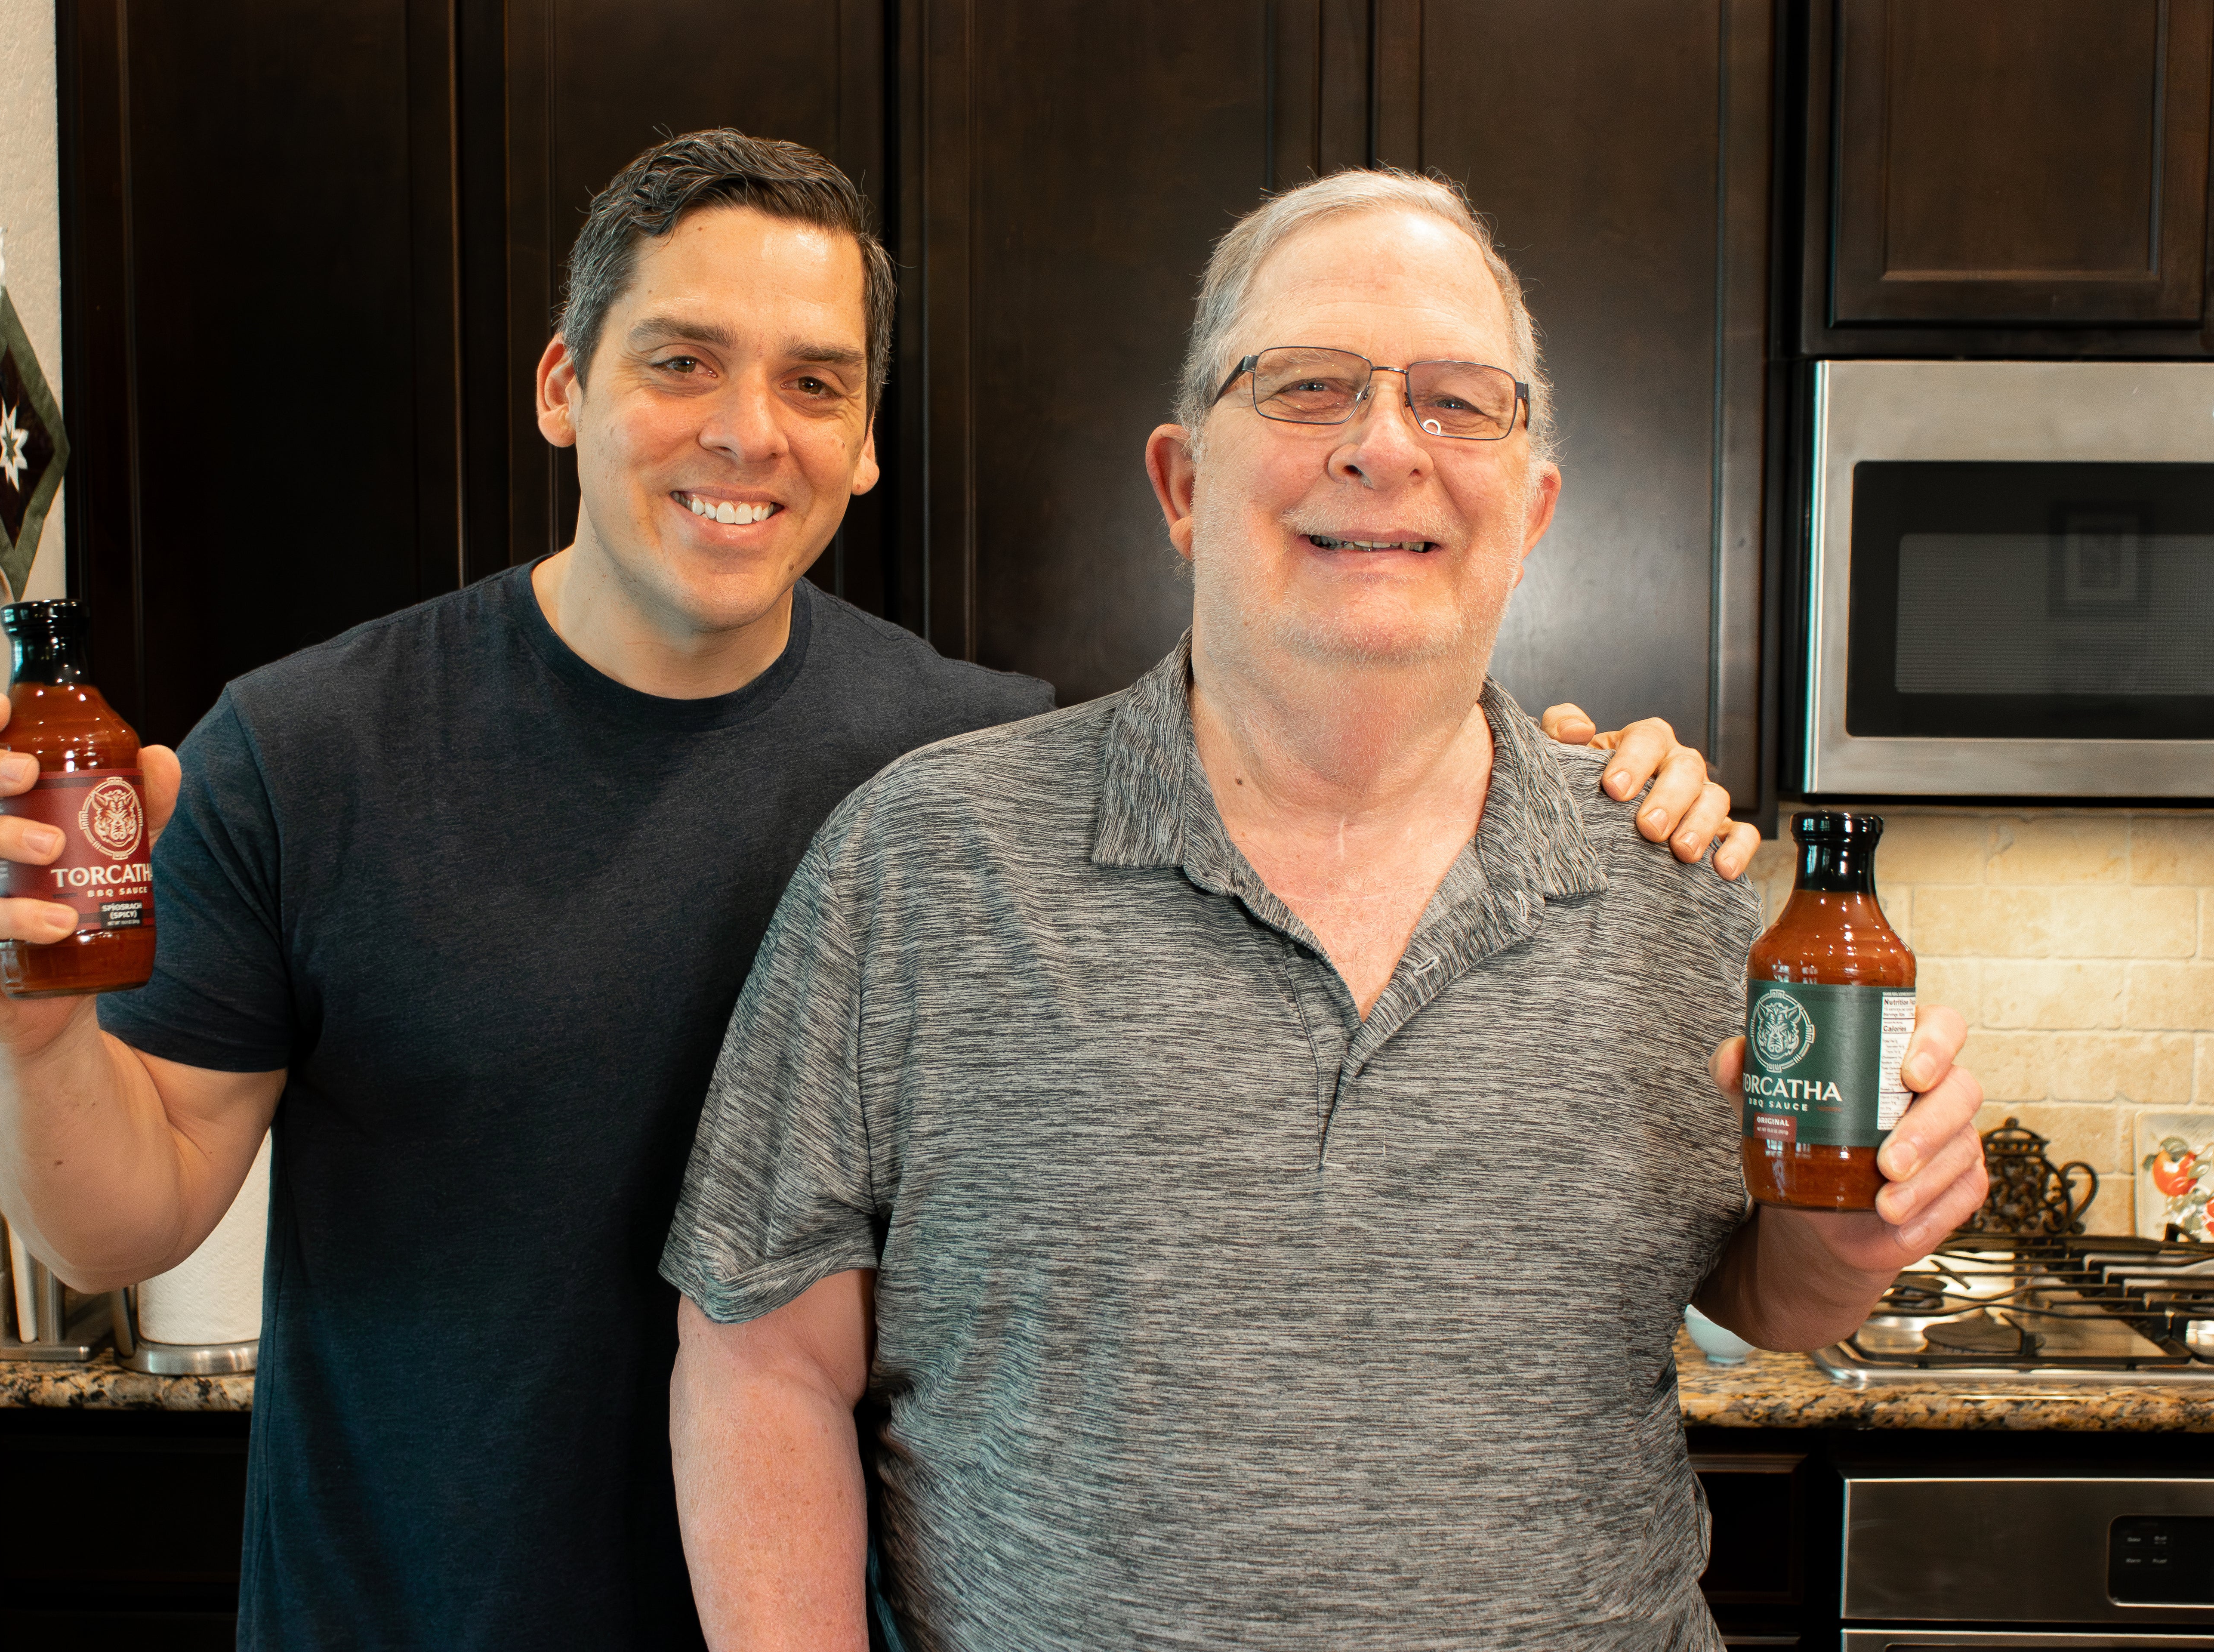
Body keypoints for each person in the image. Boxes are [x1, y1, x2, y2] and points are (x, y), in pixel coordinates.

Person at [0, 135, 1755, 1648]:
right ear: (567, 387)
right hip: (416, 1614)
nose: (751, 432)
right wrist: (37, 1038)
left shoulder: (965, 767)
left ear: (869, 440)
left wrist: (1576, 789)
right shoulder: (313, 746)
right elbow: (124, 1219)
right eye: (681, 362)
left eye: (817, 383)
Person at [661, 167, 1988, 1651]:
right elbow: (760, 1360)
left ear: (1532, 505)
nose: (1382, 448)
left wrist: (1859, 1240)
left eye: (1457, 400)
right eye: (1304, 386)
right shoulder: (924, 861)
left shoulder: (1677, 883)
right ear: (1180, 484)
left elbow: (1763, 1294)